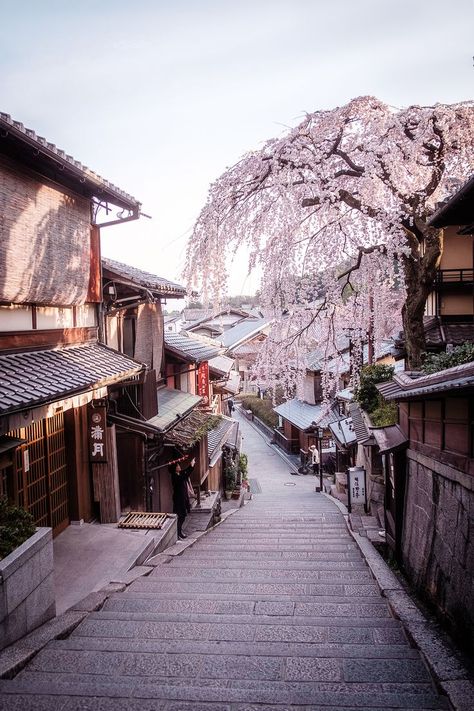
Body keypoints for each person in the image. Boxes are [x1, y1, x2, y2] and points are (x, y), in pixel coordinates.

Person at [170, 457, 195, 539]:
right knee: (181, 515)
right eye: (178, 466)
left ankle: (179, 531)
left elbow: (185, 471)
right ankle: (178, 532)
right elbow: (186, 475)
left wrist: (191, 465)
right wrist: (191, 466)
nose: (179, 467)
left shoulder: (179, 473)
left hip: (183, 497)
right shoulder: (175, 477)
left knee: (183, 515)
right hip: (178, 499)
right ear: (175, 469)